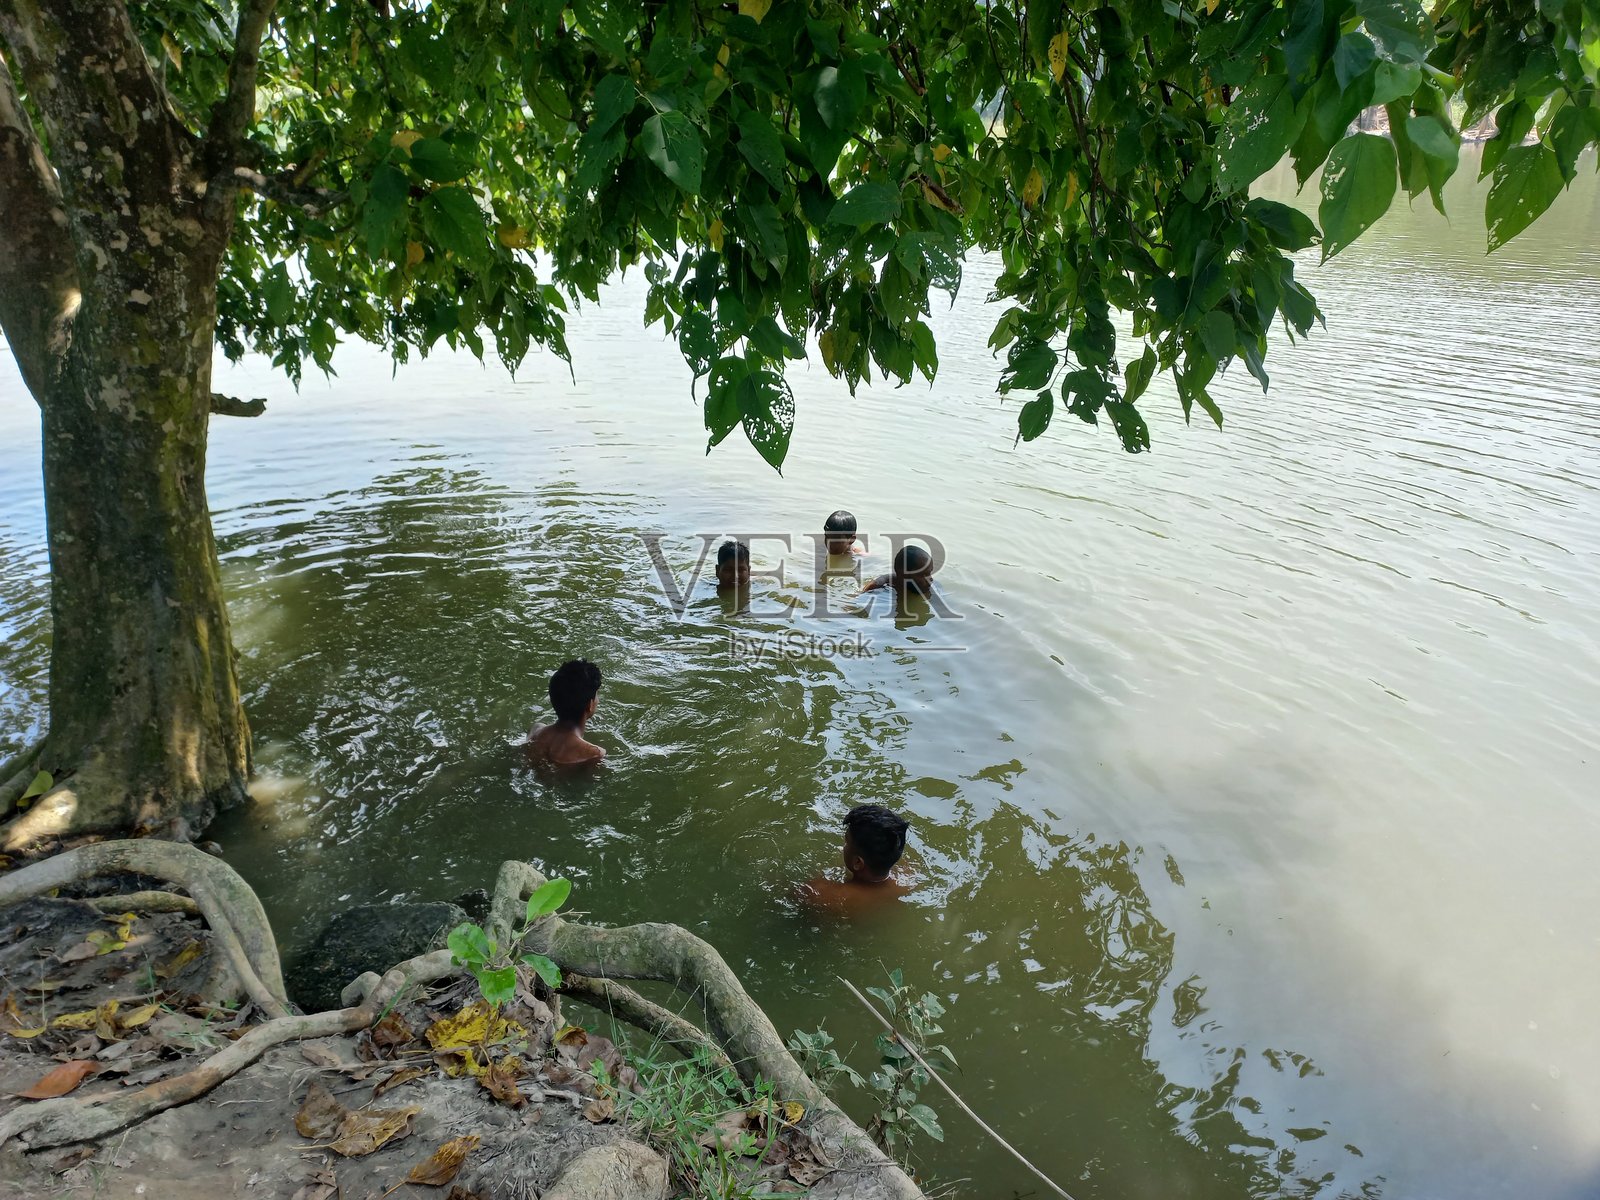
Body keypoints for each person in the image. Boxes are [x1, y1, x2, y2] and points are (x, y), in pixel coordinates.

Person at [798, 804, 911, 914]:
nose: (842, 847)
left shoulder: (831, 896)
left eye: (846, 842)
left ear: (857, 862)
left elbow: (796, 894)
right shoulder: (908, 878)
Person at [526, 659, 606, 767]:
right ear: (590, 705)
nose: (598, 700)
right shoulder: (594, 754)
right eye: (597, 695)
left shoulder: (535, 731)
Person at [862, 543, 935, 597]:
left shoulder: (931, 588)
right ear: (904, 575)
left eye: (930, 573)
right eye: (923, 575)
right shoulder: (880, 585)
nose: (931, 579)